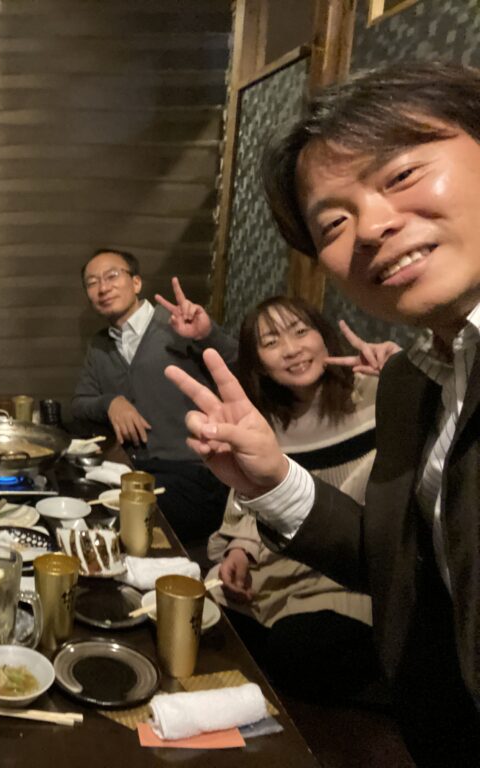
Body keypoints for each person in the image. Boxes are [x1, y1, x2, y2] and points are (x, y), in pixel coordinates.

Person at [166, 61, 480, 764]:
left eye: (401, 173)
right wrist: (272, 479)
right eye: (334, 221)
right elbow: (401, 563)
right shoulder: (416, 385)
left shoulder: (382, 387)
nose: (373, 225)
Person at [207, 296, 394, 701]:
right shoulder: (266, 422)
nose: (291, 350)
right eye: (271, 342)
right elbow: (249, 497)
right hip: (281, 563)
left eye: (300, 331)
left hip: (350, 567)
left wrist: (406, 377)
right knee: (207, 621)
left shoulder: (379, 393)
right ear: (258, 363)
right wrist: (240, 548)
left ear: (324, 337)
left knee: (299, 646)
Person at [72, 248, 237, 543]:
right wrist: (111, 402)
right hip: (134, 472)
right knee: (76, 507)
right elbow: (79, 404)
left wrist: (207, 333)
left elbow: (240, 365)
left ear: (136, 282)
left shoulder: (176, 325)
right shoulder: (99, 346)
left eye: (112, 276)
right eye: (92, 283)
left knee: (117, 527)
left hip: (193, 473)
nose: (103, 288)